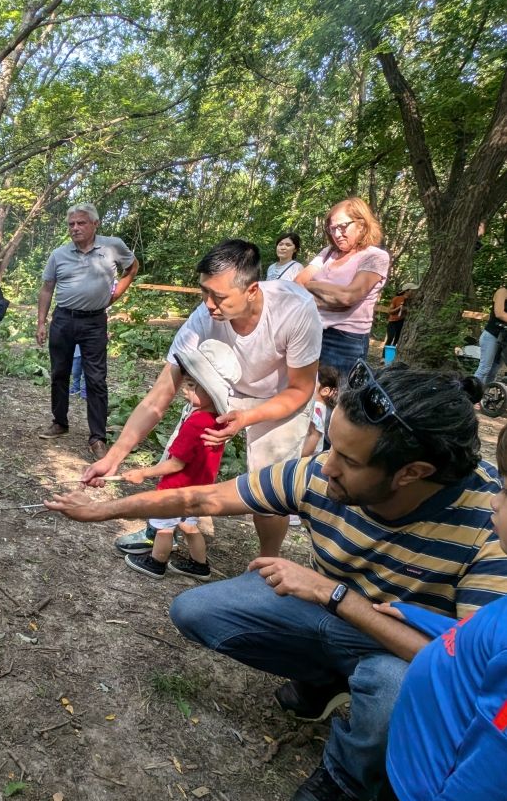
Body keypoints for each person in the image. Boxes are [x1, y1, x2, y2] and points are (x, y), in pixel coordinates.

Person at [44, 363, 504, 801]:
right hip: (332, 611)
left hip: (410, 652)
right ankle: (329, 678)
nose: (327, 465)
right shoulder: (319, 473)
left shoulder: (492, 524)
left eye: (349, 459)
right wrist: (104, 510)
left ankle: (345, 779)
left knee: (393, 686)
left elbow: (467, 670)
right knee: (197, 610)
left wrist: (334, 594)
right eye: (332, 447)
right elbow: (203, 499)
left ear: (412, 472)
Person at [86, 240, 321, 558]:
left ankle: (268, 560)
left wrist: (247, 418)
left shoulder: (296, 309)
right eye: (204, 292)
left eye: (220, 297)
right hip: (223, 386)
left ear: (252, 290)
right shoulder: (202, 319)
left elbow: (301, 390)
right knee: (180, 451)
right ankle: (160, 528)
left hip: (280, 395)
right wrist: (114, 457)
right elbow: (160, 395)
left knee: (269, 485)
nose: (210, 305)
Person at [375, 423, 507, 801]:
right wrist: (415, 615)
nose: (493, 503)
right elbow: (480, 640)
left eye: (506, 489)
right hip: (412, 774)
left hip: (428, 800)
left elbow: (491, 782)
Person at [117, 340, 241, 581]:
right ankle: (200, 565)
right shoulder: (219, 420)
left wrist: (143, 472)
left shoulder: (195, 423)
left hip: (176, 490)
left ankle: (156, 562)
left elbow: (176, 464)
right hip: (200, 489)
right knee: (188, 525)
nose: (186, 390)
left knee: (164, 527)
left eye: (193, 386)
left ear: (210, 390)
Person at [36, 203, 139, 459]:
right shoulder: (59, 254)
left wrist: (114, 295)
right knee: (60, 372)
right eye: (71, 224)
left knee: (96, 378)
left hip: (94, 321)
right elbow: (47, 288)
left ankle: (97, 437)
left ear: (95, 224)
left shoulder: (112, 246)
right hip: (63, 319)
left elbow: (132, 267)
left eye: (81, 223)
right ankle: (60, 422)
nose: (75, 228)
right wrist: (41, 322)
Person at [295, 198, 390, 374]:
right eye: (332, 229)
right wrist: (333, 300)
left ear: (361, 225)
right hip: (311, 330)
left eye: (343, 226)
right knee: (304, 390)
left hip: (345, 340)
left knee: (334, 396)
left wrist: (311, 286)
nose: (337, 234)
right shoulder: (327, 253)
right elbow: (297, 283)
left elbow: (348, 297)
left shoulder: (375, 257)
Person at [473, 284, 507, 384]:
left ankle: (484, 396)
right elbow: (499, 313)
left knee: (493, 371)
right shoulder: (502, 292)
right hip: (492, 336)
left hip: (504, 339)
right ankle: (472, 395)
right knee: (484, 369)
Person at [382, 283, 416, 350]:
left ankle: (391, 357)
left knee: (397, 340)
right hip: (393, 322)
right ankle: (384, 358)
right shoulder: (397, 298)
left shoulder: (412, 301)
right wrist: (399, 308)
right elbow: (390, 311)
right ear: (406, 291)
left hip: (402, 322)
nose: (413, 292)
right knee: (390, 338)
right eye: (412, 290)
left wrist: (407, 310)